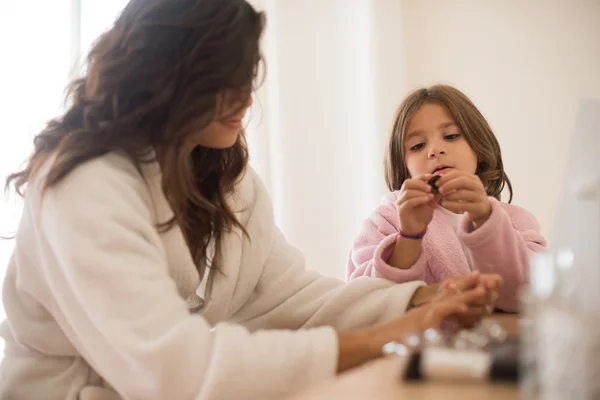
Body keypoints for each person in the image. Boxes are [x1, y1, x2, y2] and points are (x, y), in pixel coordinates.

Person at [0, 2, 498, 399]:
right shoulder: (81, 187)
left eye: (248, 77)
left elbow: (291, 298)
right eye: (227, 81)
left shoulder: (226, 177)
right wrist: (381, 338)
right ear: (169, 74)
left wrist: (420, 298)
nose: (247, 99)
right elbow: (172, 370)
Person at [347, 84, 547, 313]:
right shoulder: (385, 219)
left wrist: (486, 219)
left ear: (478, 147)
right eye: (418, 145)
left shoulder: (517, 221)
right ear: (404, 166)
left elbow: (534, 295)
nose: (435, 150)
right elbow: (365, 304)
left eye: (451, 136)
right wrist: (409, 236)